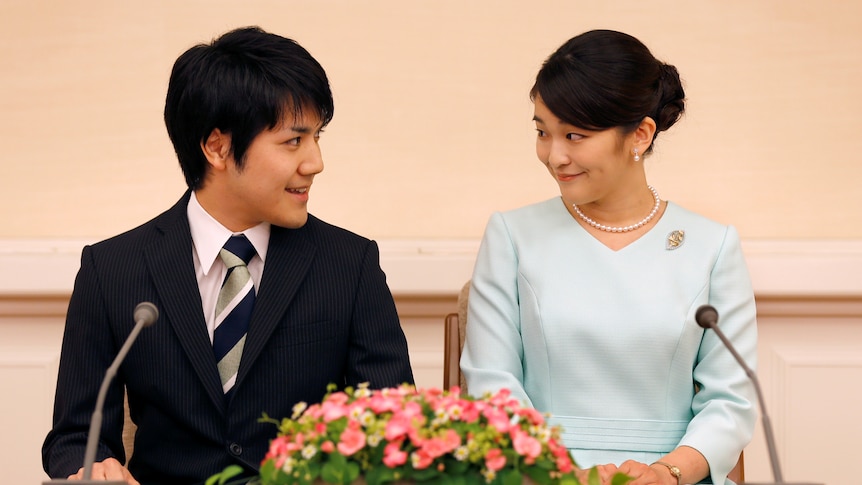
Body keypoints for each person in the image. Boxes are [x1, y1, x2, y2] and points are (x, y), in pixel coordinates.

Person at [42, 26, 414, 485]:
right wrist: (94, 469)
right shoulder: (112, 270)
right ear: (217, 147)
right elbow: (74, 436)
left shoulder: (349, 265)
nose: (315, 162)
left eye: (318, 137)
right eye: (293, 141)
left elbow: (394, 430)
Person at [460, 30, 757, 485]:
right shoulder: (512, 236)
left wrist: (668, 472)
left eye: (575, 135)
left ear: (640, 133)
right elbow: (491, 386)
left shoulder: (712, 246)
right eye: (543, 132)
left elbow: (730, 402)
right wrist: (561, 474)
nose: (554, 155)